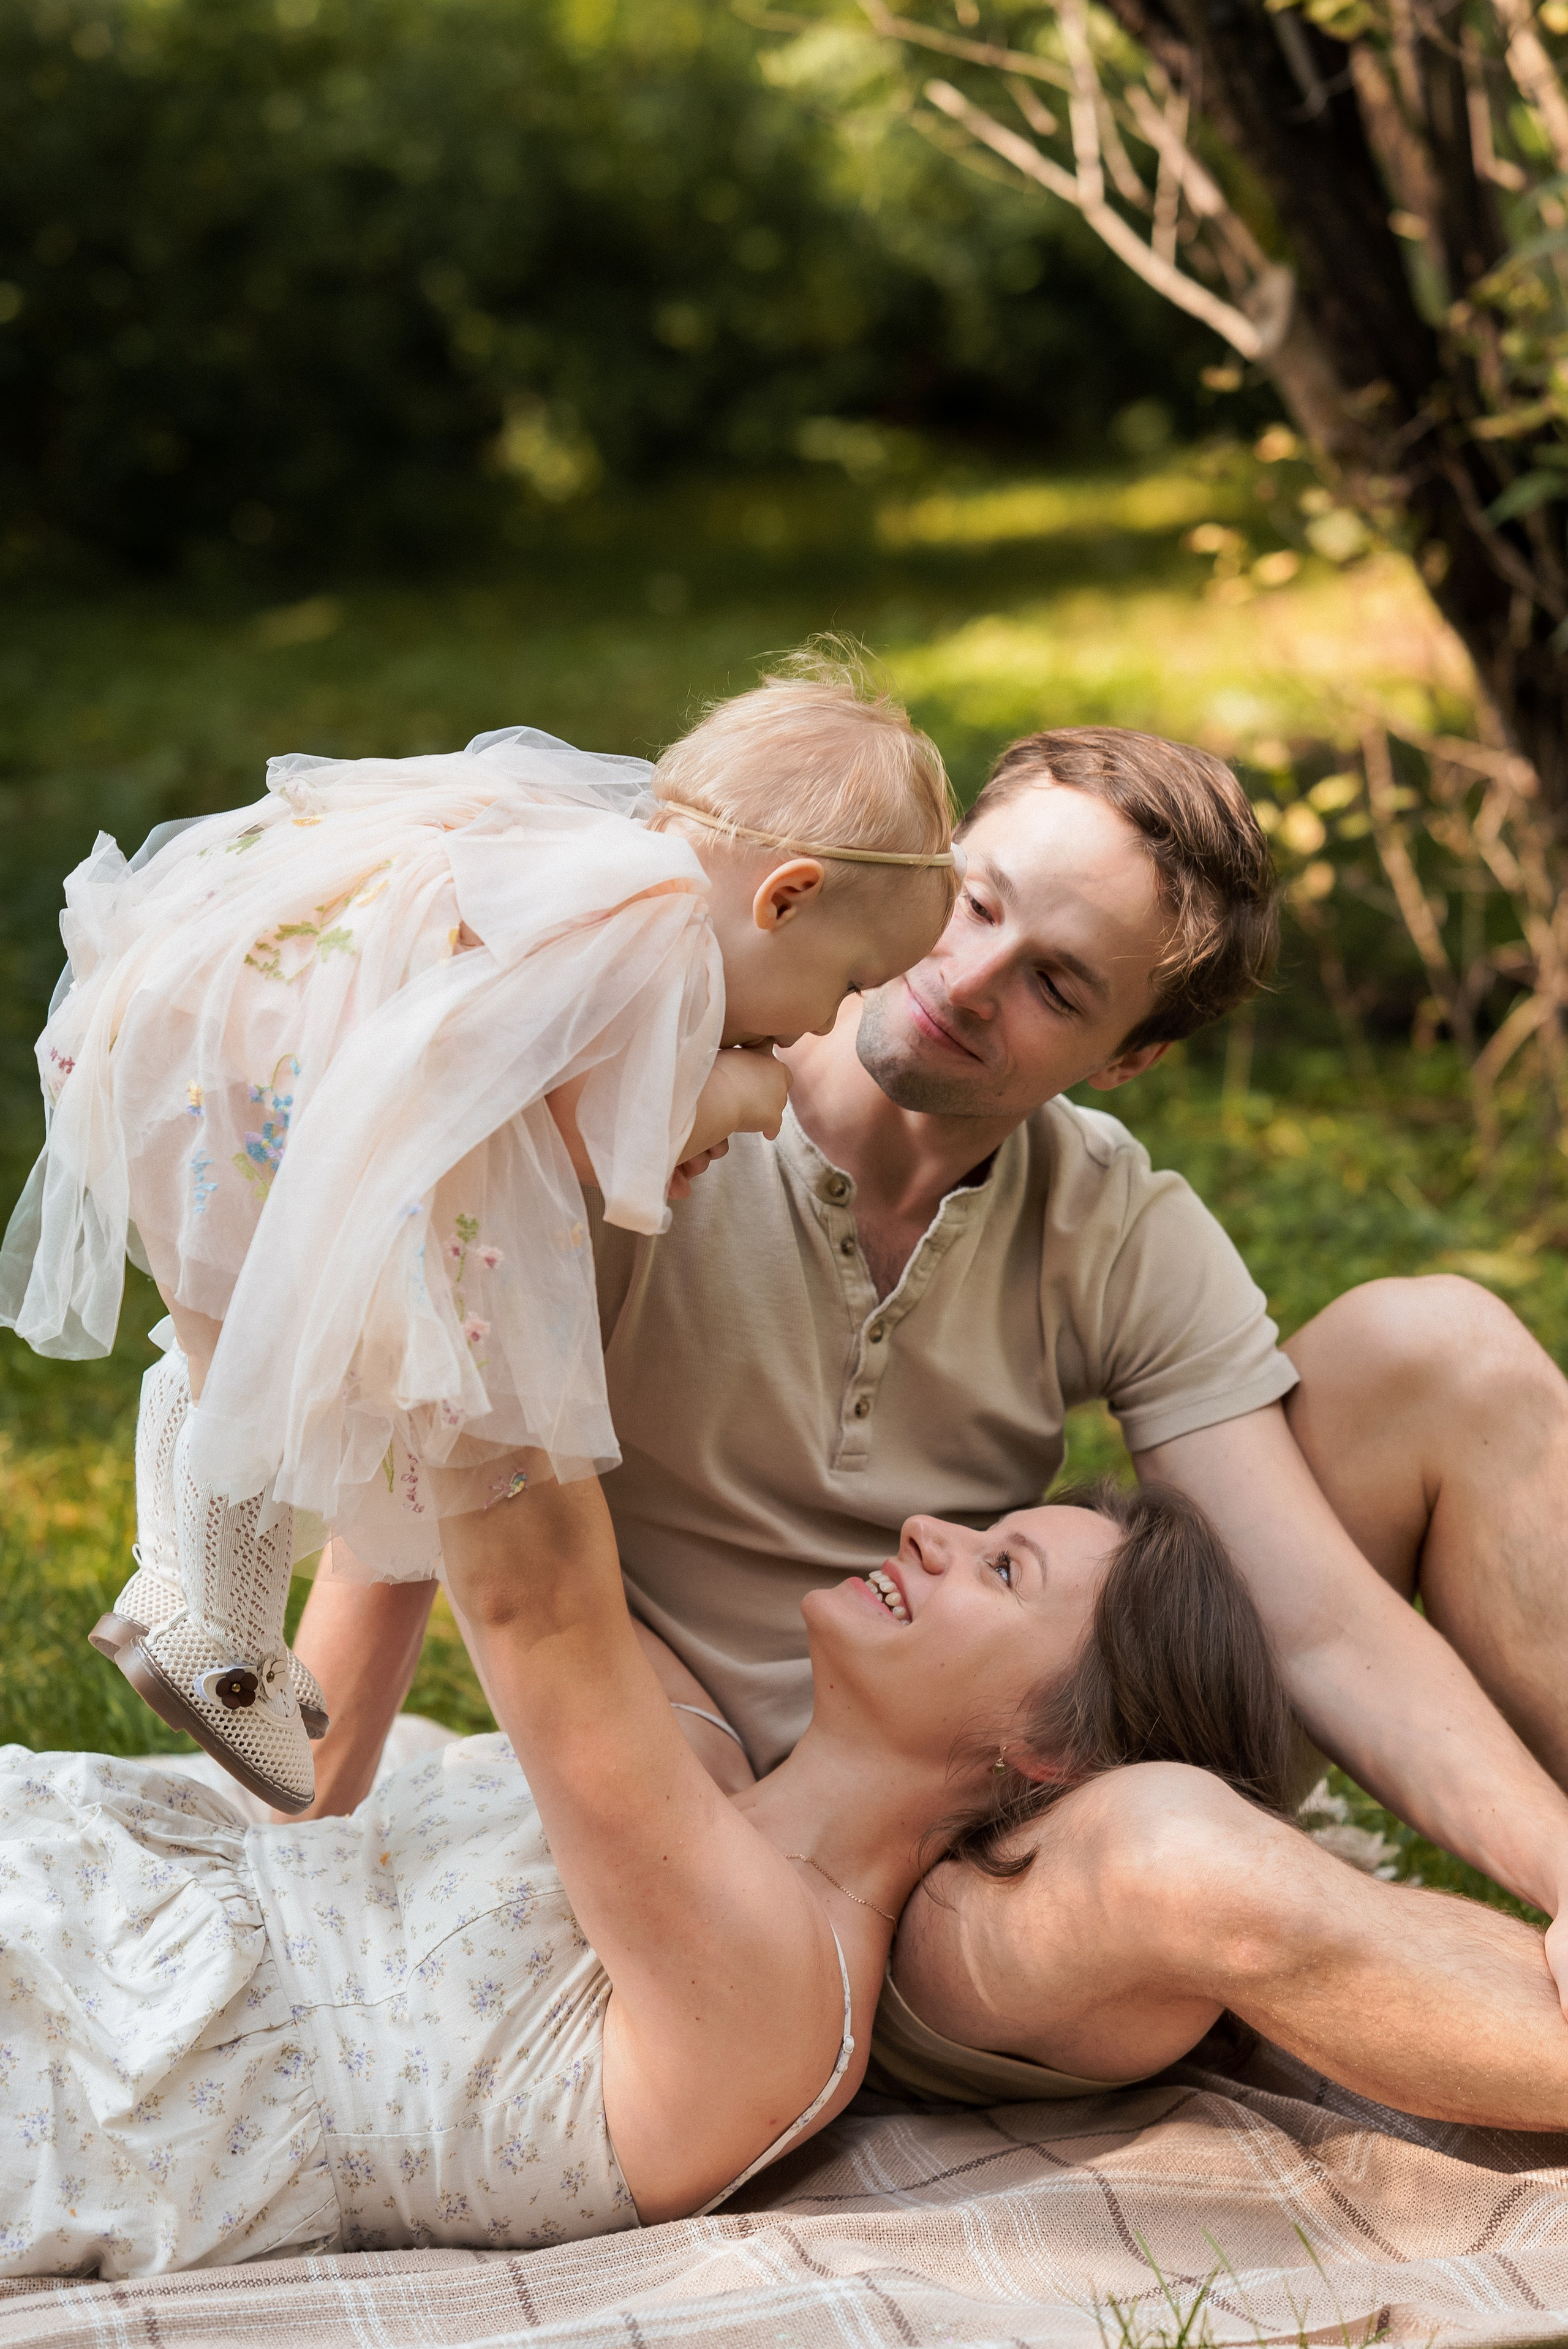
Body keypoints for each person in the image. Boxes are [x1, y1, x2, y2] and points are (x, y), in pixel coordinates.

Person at [293, 720, 1568, 2112]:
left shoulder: (1105, 1219)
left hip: (1007, 1738)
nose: (965, 979)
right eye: (973, 902)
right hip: (791, 1859)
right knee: (1163, 1847)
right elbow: (436, 1472)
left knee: (1435, 1345)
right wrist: (297, 1784)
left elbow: (1313, 1616)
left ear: (1124, 1055)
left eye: (1055, 984)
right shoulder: (657, 1123)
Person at [0, 662, 957, 1815]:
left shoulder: (608, 876)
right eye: (850, 981)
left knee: (242, 1346)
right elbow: (590, 1135)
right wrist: (748, 1099)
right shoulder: (650, 939)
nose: (823, 1025)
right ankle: (220, 1631)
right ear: (785, 897)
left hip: (206, 1048)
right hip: (263, 1079)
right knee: (280, 1373)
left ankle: (182, 1591)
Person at [0, 1479, 1311, 2277]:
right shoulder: (701, 1764)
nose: (931, 1532)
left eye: (1000, 1567)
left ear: (1050, 1751)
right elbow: (461, 1525)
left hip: (98, 2069)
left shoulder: (788, 1994)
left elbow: (530, 1591)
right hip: (73, 1882)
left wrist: (451, 1196)